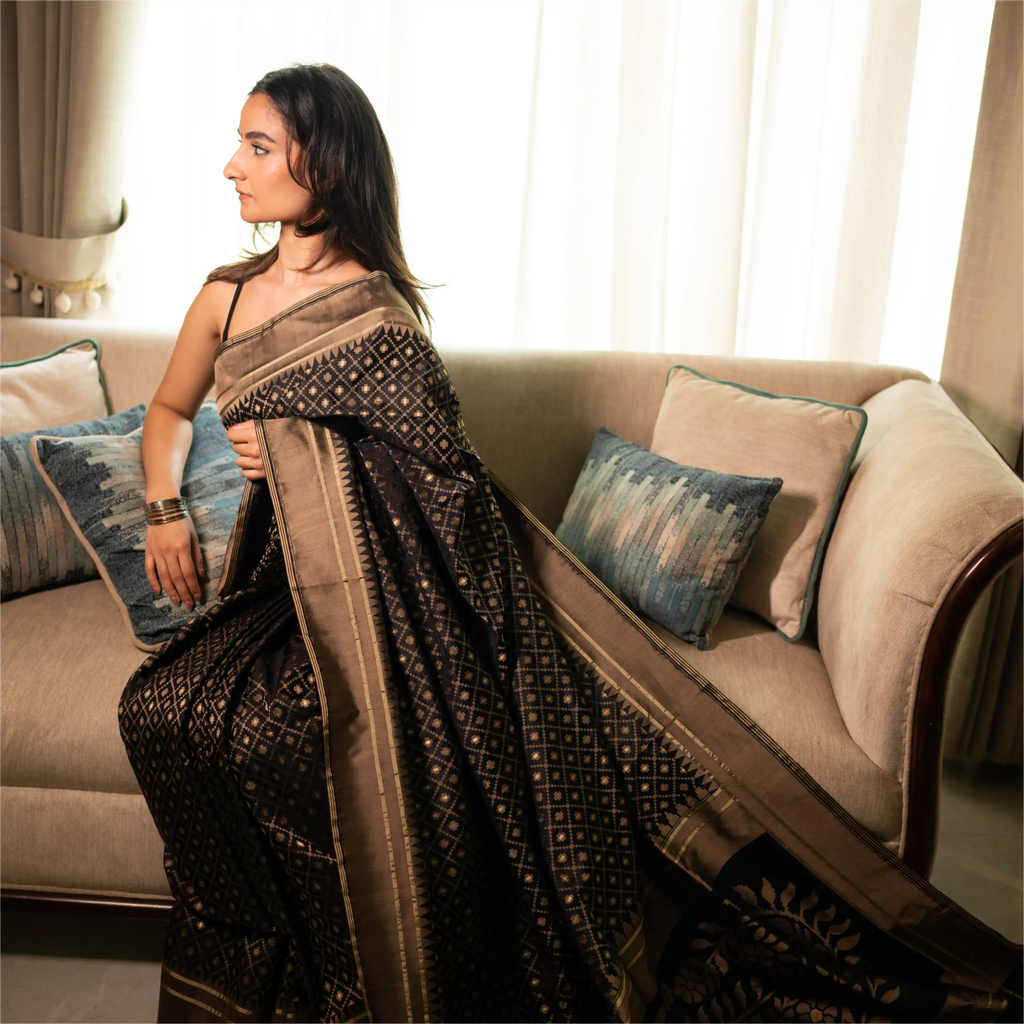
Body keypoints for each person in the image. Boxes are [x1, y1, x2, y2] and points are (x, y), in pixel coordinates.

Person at [119, 63, 1024, 1024]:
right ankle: (272, 952)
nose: (231, 165)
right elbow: (170, 411)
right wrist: (164, 507)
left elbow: (444, 483)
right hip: (281, 581)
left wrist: (304, 450)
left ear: (327, 164)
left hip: (387, 593)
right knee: (162, 707)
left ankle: (352, 965)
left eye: (257, 146)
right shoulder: (225, 297)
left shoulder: (378, 315)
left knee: (298, 736)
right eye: (240, 143)